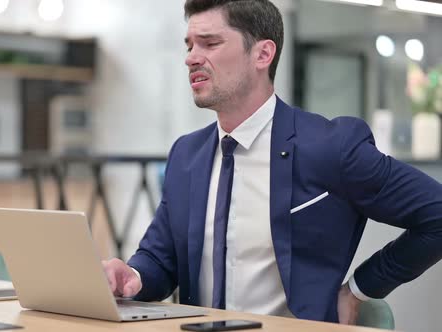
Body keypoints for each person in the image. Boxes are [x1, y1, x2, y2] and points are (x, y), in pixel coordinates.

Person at [102, 0, 442, 324]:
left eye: (209, 43)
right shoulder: (185, 156)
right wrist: (131, 276)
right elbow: (161, 260)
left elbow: (437, 214)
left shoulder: (329, 147)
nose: (192, 58)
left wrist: (359, 289)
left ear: (263, 54)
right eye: (190, 45)